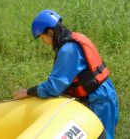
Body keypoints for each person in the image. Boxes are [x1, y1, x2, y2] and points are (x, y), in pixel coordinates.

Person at [13, 10, 119, 139]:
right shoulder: (74, 38)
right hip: (100, 94)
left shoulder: (69, 50)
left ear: (50, 33)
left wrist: (27, 92)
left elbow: (53, 88)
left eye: (42, 37)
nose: (43, 41)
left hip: (100, 99)